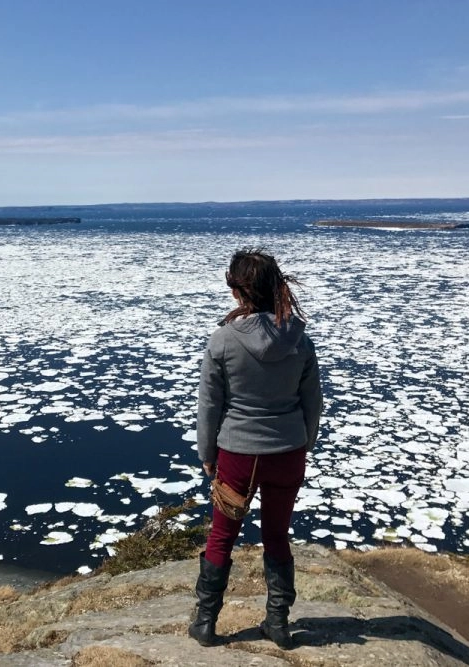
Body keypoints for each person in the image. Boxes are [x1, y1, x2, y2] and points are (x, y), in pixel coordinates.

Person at [188, 247, 322, 649]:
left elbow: (210, 404)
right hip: (288, 453)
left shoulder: (223, 340)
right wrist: (305, 443)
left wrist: (207, 455)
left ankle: (206, 623)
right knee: (277, 535)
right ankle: (278, 624)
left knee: (222, 536)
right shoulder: (299, 340)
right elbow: (312, 401)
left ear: (236, 291)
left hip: (237, 455)